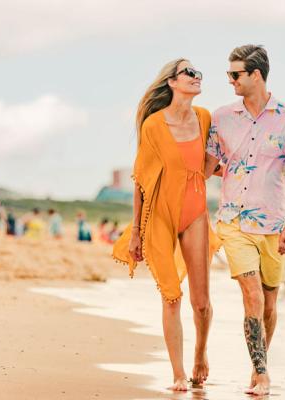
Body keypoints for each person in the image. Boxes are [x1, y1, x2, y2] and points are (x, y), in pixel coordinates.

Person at [205, 44, 285, 396]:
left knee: (268, 301)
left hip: (275, 222)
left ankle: (256, 364)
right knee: (251, 295)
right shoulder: (220, 118)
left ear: (256, 75)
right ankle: (263, 374)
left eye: (235, 74)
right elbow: (207, 167)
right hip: (233, 220)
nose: (230, 80)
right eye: (229, 74)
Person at [112, 58, 215, 392]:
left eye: (198, 72)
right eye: (189, 72)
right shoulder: (153, 126)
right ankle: (178, 373)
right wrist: (136, 233)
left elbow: (211, 164)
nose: (196, 76)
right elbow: (142, 181)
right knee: (171, 297)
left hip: (196, 212)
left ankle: (200, 354)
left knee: (201, 301)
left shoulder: (204, 118)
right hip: (160, 217)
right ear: (171, 82)